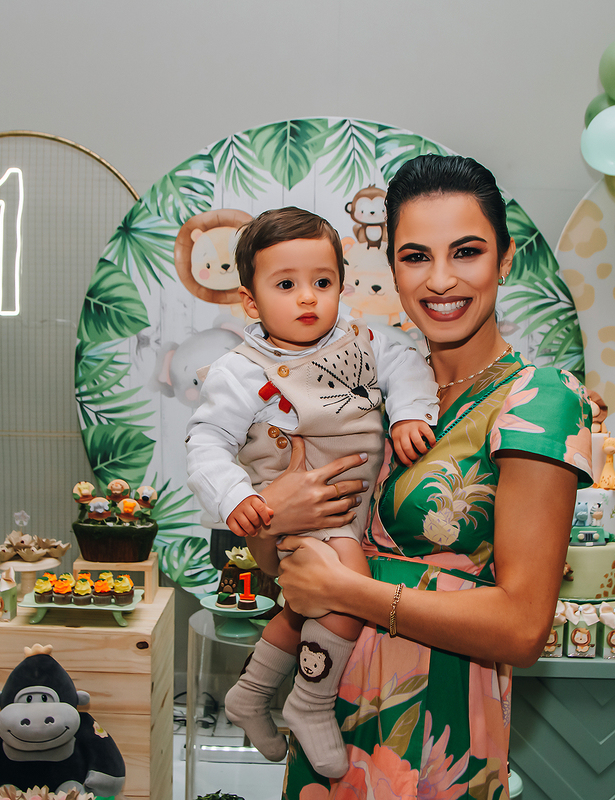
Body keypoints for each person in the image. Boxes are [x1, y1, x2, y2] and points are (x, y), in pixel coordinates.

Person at [249, 154, 594, 799]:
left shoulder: (538, 399)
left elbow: (524, 629)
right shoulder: (371, 392)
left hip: (437, 725)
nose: (440, 280)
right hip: (327, 707)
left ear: (505, 259)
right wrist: (275, 521)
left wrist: (350, 591)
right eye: (415, 256)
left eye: (466, 252)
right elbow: (285, 574)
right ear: (393, 269)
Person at [184, 206, 440, 777]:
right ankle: (310, 701)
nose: (307, 297)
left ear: (341, 286)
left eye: (322, 282)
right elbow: (206, 442)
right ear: (251, 302)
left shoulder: (364, 340)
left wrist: (408, 414)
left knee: (305, 608)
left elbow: (407, 366)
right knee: (348, 584)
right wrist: (237, 499)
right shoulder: (240, 371)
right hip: (298, 513)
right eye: (286, 285)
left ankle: (250, 694)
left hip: (351, 510)